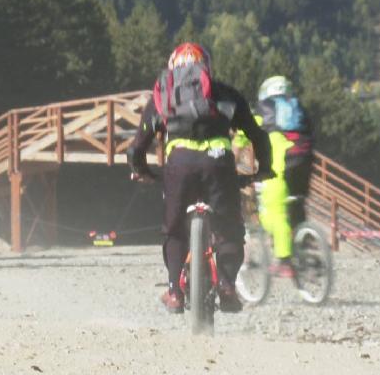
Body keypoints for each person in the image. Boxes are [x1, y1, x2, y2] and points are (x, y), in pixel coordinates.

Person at [127, 43, 272, 314]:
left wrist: (141, 170)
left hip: (179, 164)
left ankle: (173, 292)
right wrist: (264, 168)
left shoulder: (164, 95)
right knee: (229, 228)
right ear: (207, 67)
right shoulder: (225, 94)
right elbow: (257, 134)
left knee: (173, 229)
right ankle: (227, 285)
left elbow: (138, 144)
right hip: (219, 163)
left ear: (172, 68)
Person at [254, 75, 315, 278]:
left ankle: (284, 261)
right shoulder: (299, 108)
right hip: (305, 159)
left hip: (284, 163)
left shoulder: (264, 108)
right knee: (297, 202)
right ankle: (307, 247)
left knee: (275, 209)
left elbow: (246, 136)